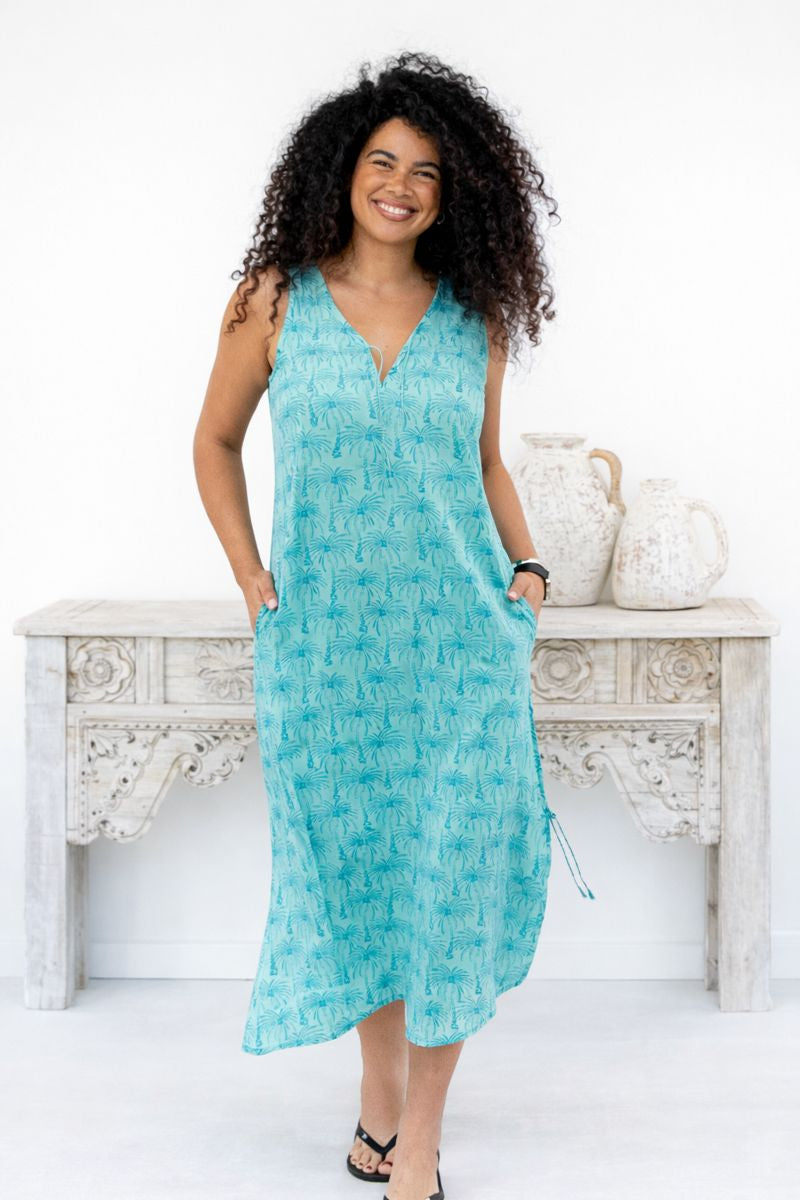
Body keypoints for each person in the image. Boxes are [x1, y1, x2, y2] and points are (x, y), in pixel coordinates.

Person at [193, 49, 593, 1200]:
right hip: (323, 651)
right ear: (342, 168)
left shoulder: (474, 316)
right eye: (382, 161)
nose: (400, 186)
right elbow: (213, 441)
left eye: (425, 170)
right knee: (361, 876)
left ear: (453, 189)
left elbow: (483, 464)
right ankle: (377, 1099)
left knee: (449, 881)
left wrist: (527, 567)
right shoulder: (270, 300)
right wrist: (248, 572)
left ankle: (417, 1139)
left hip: (459, 647)